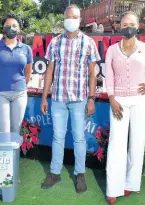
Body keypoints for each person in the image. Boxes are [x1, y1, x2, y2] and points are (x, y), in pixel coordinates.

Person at [104, 12, 145, 204]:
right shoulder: (112, 50)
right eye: (124, 24)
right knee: (116, 144)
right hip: (119, 102)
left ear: (138, 26)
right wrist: (111, 98)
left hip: (141, 101)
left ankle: (130, 184)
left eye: (131, 24)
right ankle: (112, 188)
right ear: (119, 27)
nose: (128, 27)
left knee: (137, 144)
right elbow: (109, 75)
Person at [40, 5, 101, 194]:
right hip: (58, 98)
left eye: (75, 17)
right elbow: (49, 71)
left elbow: (92, 74)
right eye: (68, 17)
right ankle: (55, 172)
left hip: (79, 99)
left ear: (80, 19)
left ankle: (80, 174)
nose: (71, 20)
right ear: (64, 19)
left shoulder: (89, 42)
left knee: (79, 138)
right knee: (57, 137)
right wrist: (44, 97)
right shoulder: (55, 42)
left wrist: (91, 99)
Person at [0, 14, 33, 133]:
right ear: (3, 27)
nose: (11, 28)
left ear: (19, 29)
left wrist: (20, 85)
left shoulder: (26, 49)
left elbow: (27, 73)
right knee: (2, 131)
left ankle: (14, 153)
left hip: (20, 94)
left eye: (14, 26)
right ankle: (4, 152)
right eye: (8, 25)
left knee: (16, 130)